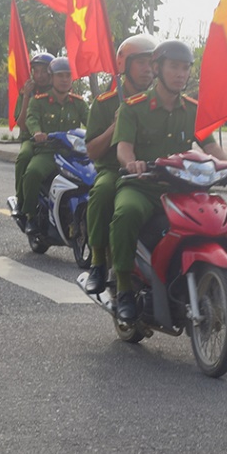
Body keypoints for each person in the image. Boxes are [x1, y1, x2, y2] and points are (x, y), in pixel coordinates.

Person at [108, 39, 227, 321]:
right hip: (143, 186)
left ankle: (204, 276)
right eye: (174, 67)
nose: (180, 74)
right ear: (157, 68)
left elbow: (210, 148)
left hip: (183, 191)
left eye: (185, 68)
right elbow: (123, 148)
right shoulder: (133, 107)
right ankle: (122, 285)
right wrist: (131, 163)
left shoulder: (194, 109)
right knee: (126, 213)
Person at [83, 34, 157, 294]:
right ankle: (98, 261)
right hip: (115, 171)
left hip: (154, 173)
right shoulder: (104, 104)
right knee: (102, 193)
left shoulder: (159, 101)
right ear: (125, 66)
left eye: (153, 63)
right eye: (142, 63)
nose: (149, 69)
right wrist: (115, 127)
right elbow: (91, 151)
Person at [16, 56, 88, 227]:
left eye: (68, 76)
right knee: (33, 172)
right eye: (60, 75)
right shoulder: (38, 100)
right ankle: (29, 214)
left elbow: (92, 122)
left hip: (72, 152)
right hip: (48, 151)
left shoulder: (78, 103)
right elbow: (30, 119)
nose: (64, 80)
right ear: (52, 77)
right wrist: (38, 132)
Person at [12, 52, 56, 207]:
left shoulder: (59, 91)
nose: (40, 75)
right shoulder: (28, 93)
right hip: (31, 140)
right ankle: (21, 199)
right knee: (24, 157)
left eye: (44, 71)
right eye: (36, 71)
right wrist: (25, 97)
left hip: (56, 141)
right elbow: (22, 124)